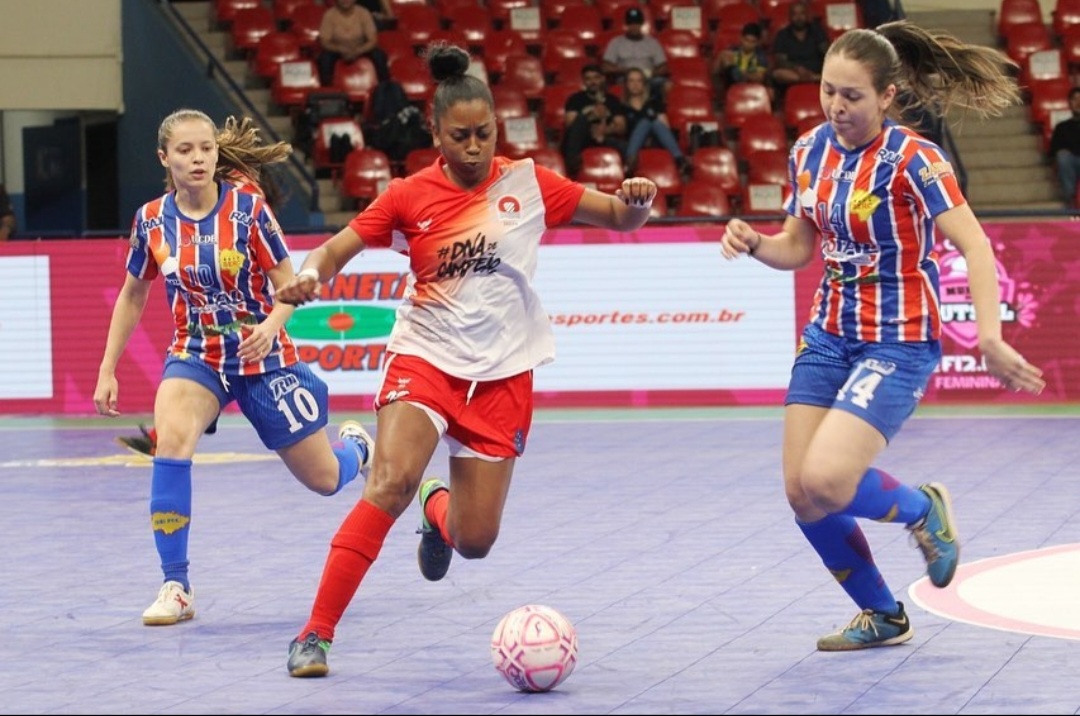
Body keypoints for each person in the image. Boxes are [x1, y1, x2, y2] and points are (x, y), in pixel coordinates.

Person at [276, 42, 658, 678]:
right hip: (427, 358)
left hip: (505, 374)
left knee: (476, 540)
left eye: (485, 133)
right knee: (387, 483)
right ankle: (315, 634)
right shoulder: (407, 196)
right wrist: (311, 276)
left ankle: (437, 509)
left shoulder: (529, 184)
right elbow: (336, 250)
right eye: (461, 136)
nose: (475, 146)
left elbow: (620, 216)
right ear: (436, 134)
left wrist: (638, 200)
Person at [719, 21, 1046, 651]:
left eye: (852, 96)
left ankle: (925, 510)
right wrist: (757, 243)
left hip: (896, 340)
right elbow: (797, 245)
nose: (836, 107)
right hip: (827, 335)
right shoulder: (808, 150)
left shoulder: (915, 160)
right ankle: (882, 615)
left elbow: (975, 245)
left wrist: (988, 336)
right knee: (801, 494)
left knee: (831, 482)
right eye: (828, 91)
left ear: (888, 98)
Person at [93, 109, 376, 627]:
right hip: (196, 354)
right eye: (185, 150)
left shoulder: (248, 211)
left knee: (325, 479)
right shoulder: (151, 220)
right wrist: (108, 367)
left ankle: (358, 446)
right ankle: (175, 585)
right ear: (165, 158)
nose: (198, 158)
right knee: (171, 443)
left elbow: (290, 282)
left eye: (205, 148)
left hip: (262, 356)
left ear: (217, 154)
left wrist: (271, 325)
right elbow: (134, 293)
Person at [561, 63, 629, 178]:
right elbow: (570, 123)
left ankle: (629, 174)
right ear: (584, 81)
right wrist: (589, 112)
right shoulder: (576, 99)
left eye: (596, 78)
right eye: (588, 79)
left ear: (602, 79)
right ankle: (572, 165)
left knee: (626, 146)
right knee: (581, 119)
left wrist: (604, 131)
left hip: (604, 137)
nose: (592, 82)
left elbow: (621, 126)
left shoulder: (612, 100)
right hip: (582, 138)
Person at [621, 66, 691, 178]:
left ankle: (630, 164)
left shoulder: (654, 103)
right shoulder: (622, 107)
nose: (635, 84)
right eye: (631, 80)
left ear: (644, 84)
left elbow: (664, 127)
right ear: (626, 84)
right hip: (632, 142)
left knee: (655, 123)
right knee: (647, 121)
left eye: (639, 80)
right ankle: (680, 159)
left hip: (655, 141)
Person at [317, 0, 391, 87]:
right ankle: (327, 91)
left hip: (361, 48)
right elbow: (324, 42)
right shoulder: (329, 15)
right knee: (325, 58)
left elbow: (373, 40)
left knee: (379, 56)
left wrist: (358, 50)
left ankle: (385, 89)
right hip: (337, 49)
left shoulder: (363, 13)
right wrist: (339, 49)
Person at [601, 7, 669, 96]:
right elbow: (606, 67)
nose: (634, 27)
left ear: (641, 25)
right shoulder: (616, 42)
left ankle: (658, 109)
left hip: (648, 78)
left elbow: (663, 67)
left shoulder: (652, 42)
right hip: (624, 78)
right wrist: (624, 70)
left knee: (665, 84)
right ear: (627, 25)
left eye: (636, 24)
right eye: (631, 24)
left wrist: (651, 73)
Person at [769, 1, 830, 90]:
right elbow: (780, 60)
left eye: (802, 13)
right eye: (795, 14)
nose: (799, 18)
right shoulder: (782, 34)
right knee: (777, 74)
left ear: (807, 15)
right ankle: (814, 79)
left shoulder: (817, 31)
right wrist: (797, 68)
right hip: (794, 73)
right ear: (790, 17)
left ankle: (815, 77)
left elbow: (827, 52)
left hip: (816, 70)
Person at [712, 21, 770, 93]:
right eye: (746, 40)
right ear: (741, 38)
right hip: (731, 85)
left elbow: (759, 78)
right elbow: (716, 71)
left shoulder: (760, 56)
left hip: (750, 88)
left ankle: (736, 74)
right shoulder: (732, 50)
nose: (748, 44)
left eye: (752, 42)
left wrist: (742, 73)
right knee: (723, 56)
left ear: (757, 43)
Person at [1048, 87, 1080, 209]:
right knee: (1063, 156)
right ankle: (1069, 199)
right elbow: (1053, 151)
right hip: (1070, 163)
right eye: (1075, 99)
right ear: (1070, 103)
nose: (1078, 102)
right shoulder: (1062, 127)